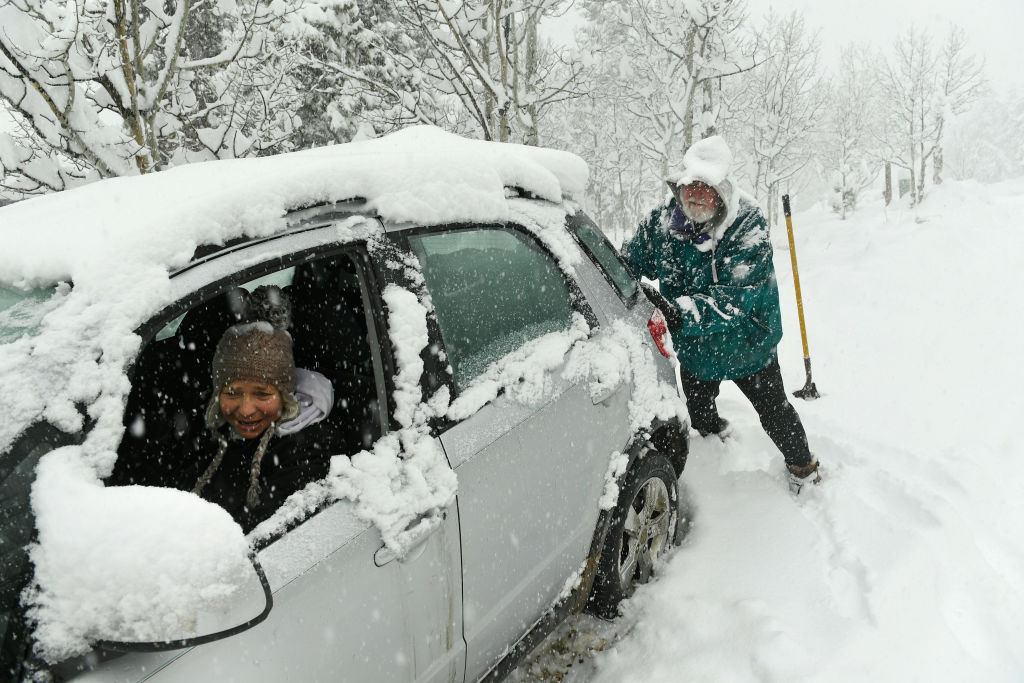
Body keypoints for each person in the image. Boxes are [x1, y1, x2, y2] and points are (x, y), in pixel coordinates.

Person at [622, 135, 821, 493]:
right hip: (697, 352)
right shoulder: (663, 222)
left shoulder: (748, 225)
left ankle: (803, 468)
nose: (696, 196)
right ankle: (716, 443)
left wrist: (678, 312)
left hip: (749, 345)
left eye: (706, 188)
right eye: (690, 187)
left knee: (775, 414)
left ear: (722, 192)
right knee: (700, 412)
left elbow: (734, 300)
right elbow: (630, 261)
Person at [192, 286, 337, 531]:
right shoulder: (212, 429)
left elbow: (256, 535)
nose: (246, 410)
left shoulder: (308, 452)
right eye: (233, 393)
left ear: (285, 396)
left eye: (262, 394)